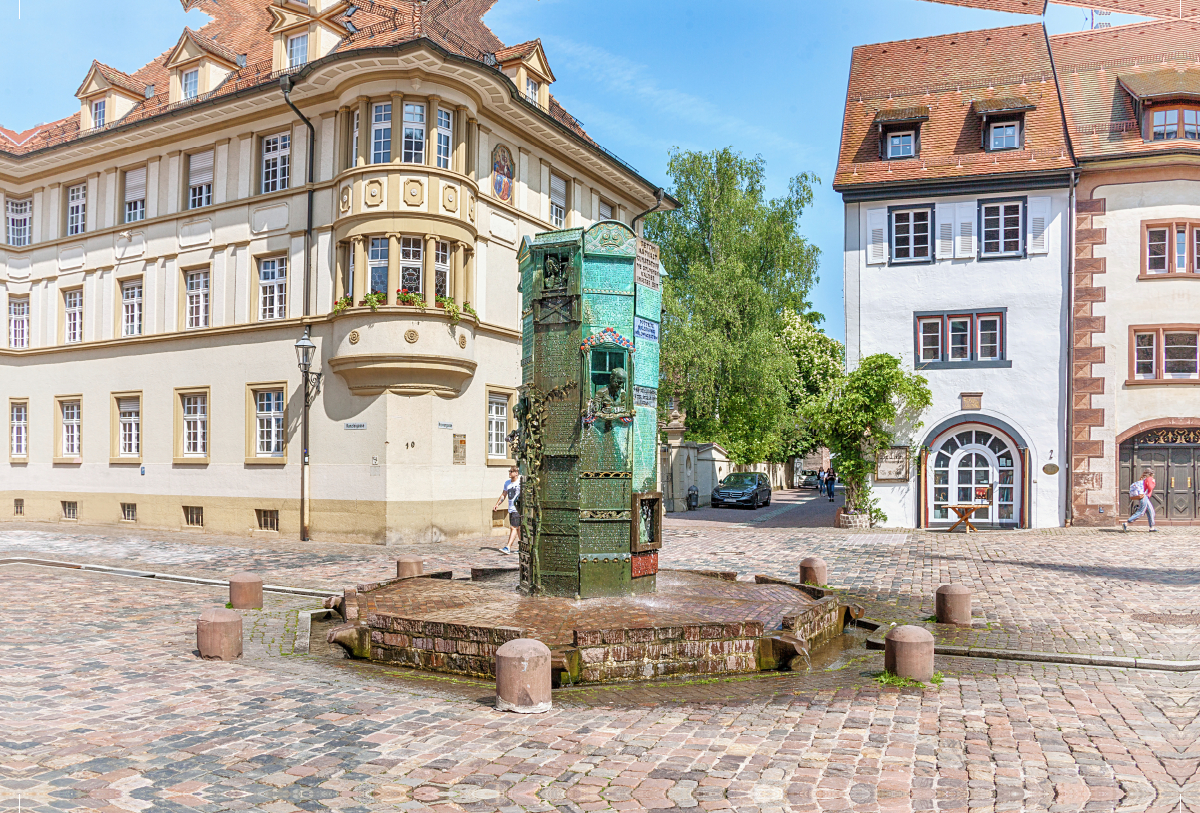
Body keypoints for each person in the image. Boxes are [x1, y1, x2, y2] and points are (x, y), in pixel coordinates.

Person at [493, 466, 522, 553]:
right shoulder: (507, 483)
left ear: (516, 473)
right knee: (518, 528)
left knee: (513, 527)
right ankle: (523, 548)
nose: (510, 473)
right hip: (511, 509)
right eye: (509, 471)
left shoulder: (520, 483)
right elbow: (504, 495)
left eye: (511, 471)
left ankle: (508, 547)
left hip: (517, 509)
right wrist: (497, 504)